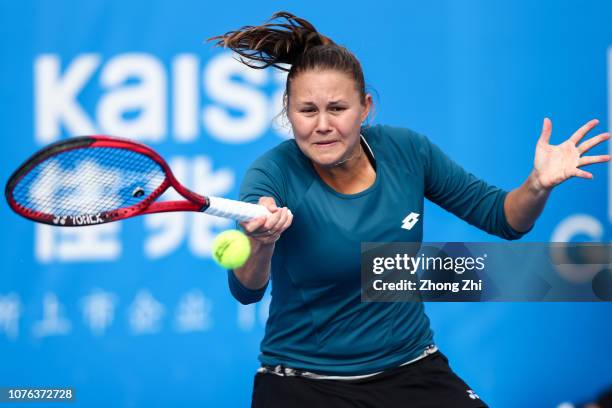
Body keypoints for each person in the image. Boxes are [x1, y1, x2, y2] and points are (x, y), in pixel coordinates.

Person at [208, 11, 610, 408]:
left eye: (337, 109)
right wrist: (260, 242)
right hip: (304, 384)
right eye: (307, 111)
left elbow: (505, 218)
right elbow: (246, 290)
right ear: (288, 112)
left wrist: (537, 184)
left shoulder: (408, 152)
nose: (322, 125)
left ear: (365, 108)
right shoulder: (272, 172)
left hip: (411, 371)